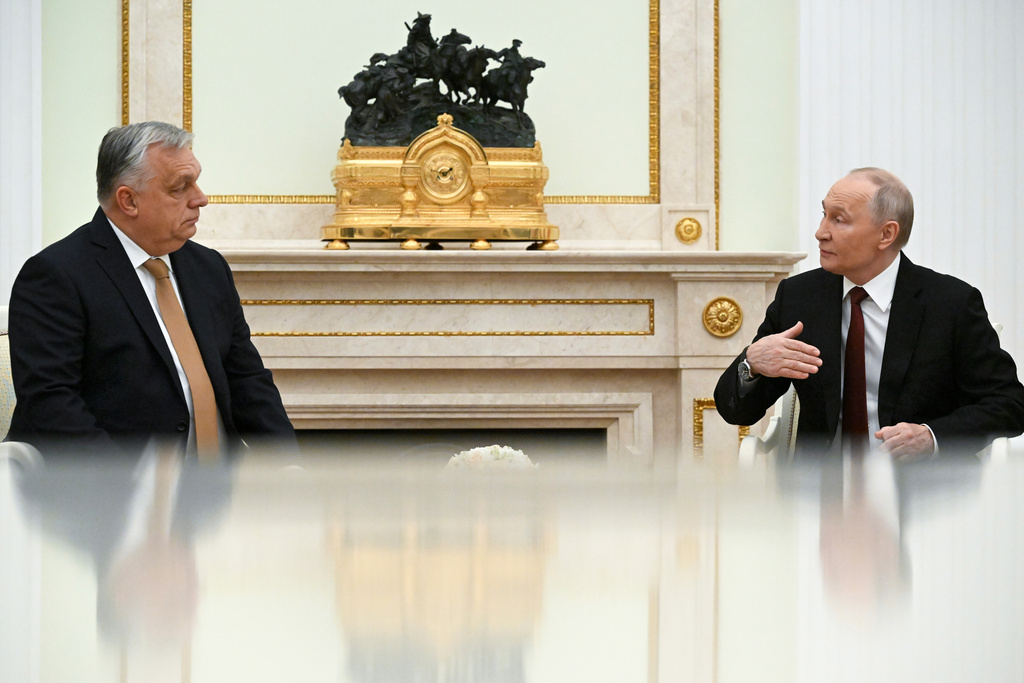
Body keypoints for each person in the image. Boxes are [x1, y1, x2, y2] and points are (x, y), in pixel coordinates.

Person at [6, 121, 295, 455]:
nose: (200, 199)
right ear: (128, 201)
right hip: (104, 489)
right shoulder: (55, 276)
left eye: (196, 182)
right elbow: (51, 404)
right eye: (180, 187)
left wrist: (286, 466)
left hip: (215, 487)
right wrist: (137, 490)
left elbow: (247, 379)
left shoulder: (209, 268)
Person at [715, 167, 1024, 458]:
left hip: (922, 490)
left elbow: (1009, 404)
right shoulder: (799, 297)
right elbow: (737, 412)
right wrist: (751, 364)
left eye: (839, 220)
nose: (820, 232)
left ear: (886, 234)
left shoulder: (950, 303)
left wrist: (931, 436)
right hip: (821, 491)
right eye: (824, 214)